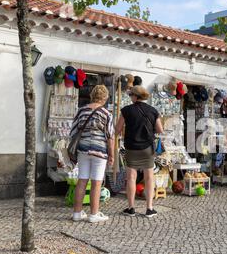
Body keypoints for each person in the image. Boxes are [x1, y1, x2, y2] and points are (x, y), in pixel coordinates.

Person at [115, 86, 164, 218]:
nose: (130, 97)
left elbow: (117, 129)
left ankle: (131, 208)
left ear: (135, 96)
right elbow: (160, 129)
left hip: (131, 147)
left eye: (131, 94)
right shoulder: (153, 111)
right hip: (147, 148)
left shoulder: (126, 110)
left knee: (131, 177)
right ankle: (149, 208)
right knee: (149, 178)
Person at [70, 85, 114, 223]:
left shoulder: (81, 111)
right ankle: (94, 214)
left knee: (82, 180)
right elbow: (110, 136)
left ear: (91, 95)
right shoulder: (106, 114)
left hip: (83, 149)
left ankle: (77, 213)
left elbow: (73, 132)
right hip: (99, 150)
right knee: (96, 182)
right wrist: (112, 155)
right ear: (105, 98)